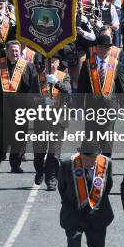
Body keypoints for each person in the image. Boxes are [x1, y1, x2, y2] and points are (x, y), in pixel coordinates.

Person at [58, 139, 114, 247]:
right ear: (80, 154)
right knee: (74, 244)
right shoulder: (68, 164)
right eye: (86, 158)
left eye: (92, 158)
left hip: (97, 213)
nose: (89, 162)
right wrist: (75, 202)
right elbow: (62, 188)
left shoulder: (106, 164)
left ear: (98, 155)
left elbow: (107, 186)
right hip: (74, 212)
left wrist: (93, 203)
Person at [0, 40, 39, 172]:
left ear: (20, 52)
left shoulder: (28, 67)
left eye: (16, 51)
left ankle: (15, 163)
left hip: (21, 108)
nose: (14, 53)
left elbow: (34, 88)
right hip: (0, 107)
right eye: (12, 51)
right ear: (6, 51)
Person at [77, 34, 124, 156]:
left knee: (107, 136)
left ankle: (105, 164)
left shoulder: (116, 64)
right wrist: (78, 106)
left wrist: (123, 106)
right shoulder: (88, 64)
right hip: (91, 106)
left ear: (110, 49)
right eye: (101, 47)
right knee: (91, 136)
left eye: (106, 48)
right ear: (96, 48)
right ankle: (91, 164)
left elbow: (121, 87)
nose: (103, 50)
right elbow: (81, 87)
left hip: (110, 106)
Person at [33, 52, 71, 190]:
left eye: (54, 62)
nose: (52, 65)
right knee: (39, 152)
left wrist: (56, 82)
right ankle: (39, 170)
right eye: (49, 62)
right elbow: (29, 99)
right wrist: (43, 101)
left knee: (54, 152)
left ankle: (51, 178)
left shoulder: (64, 76)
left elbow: (68, 91)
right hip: (41, 120)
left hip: (58, 120)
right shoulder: (37, 77)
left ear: (58, 63)